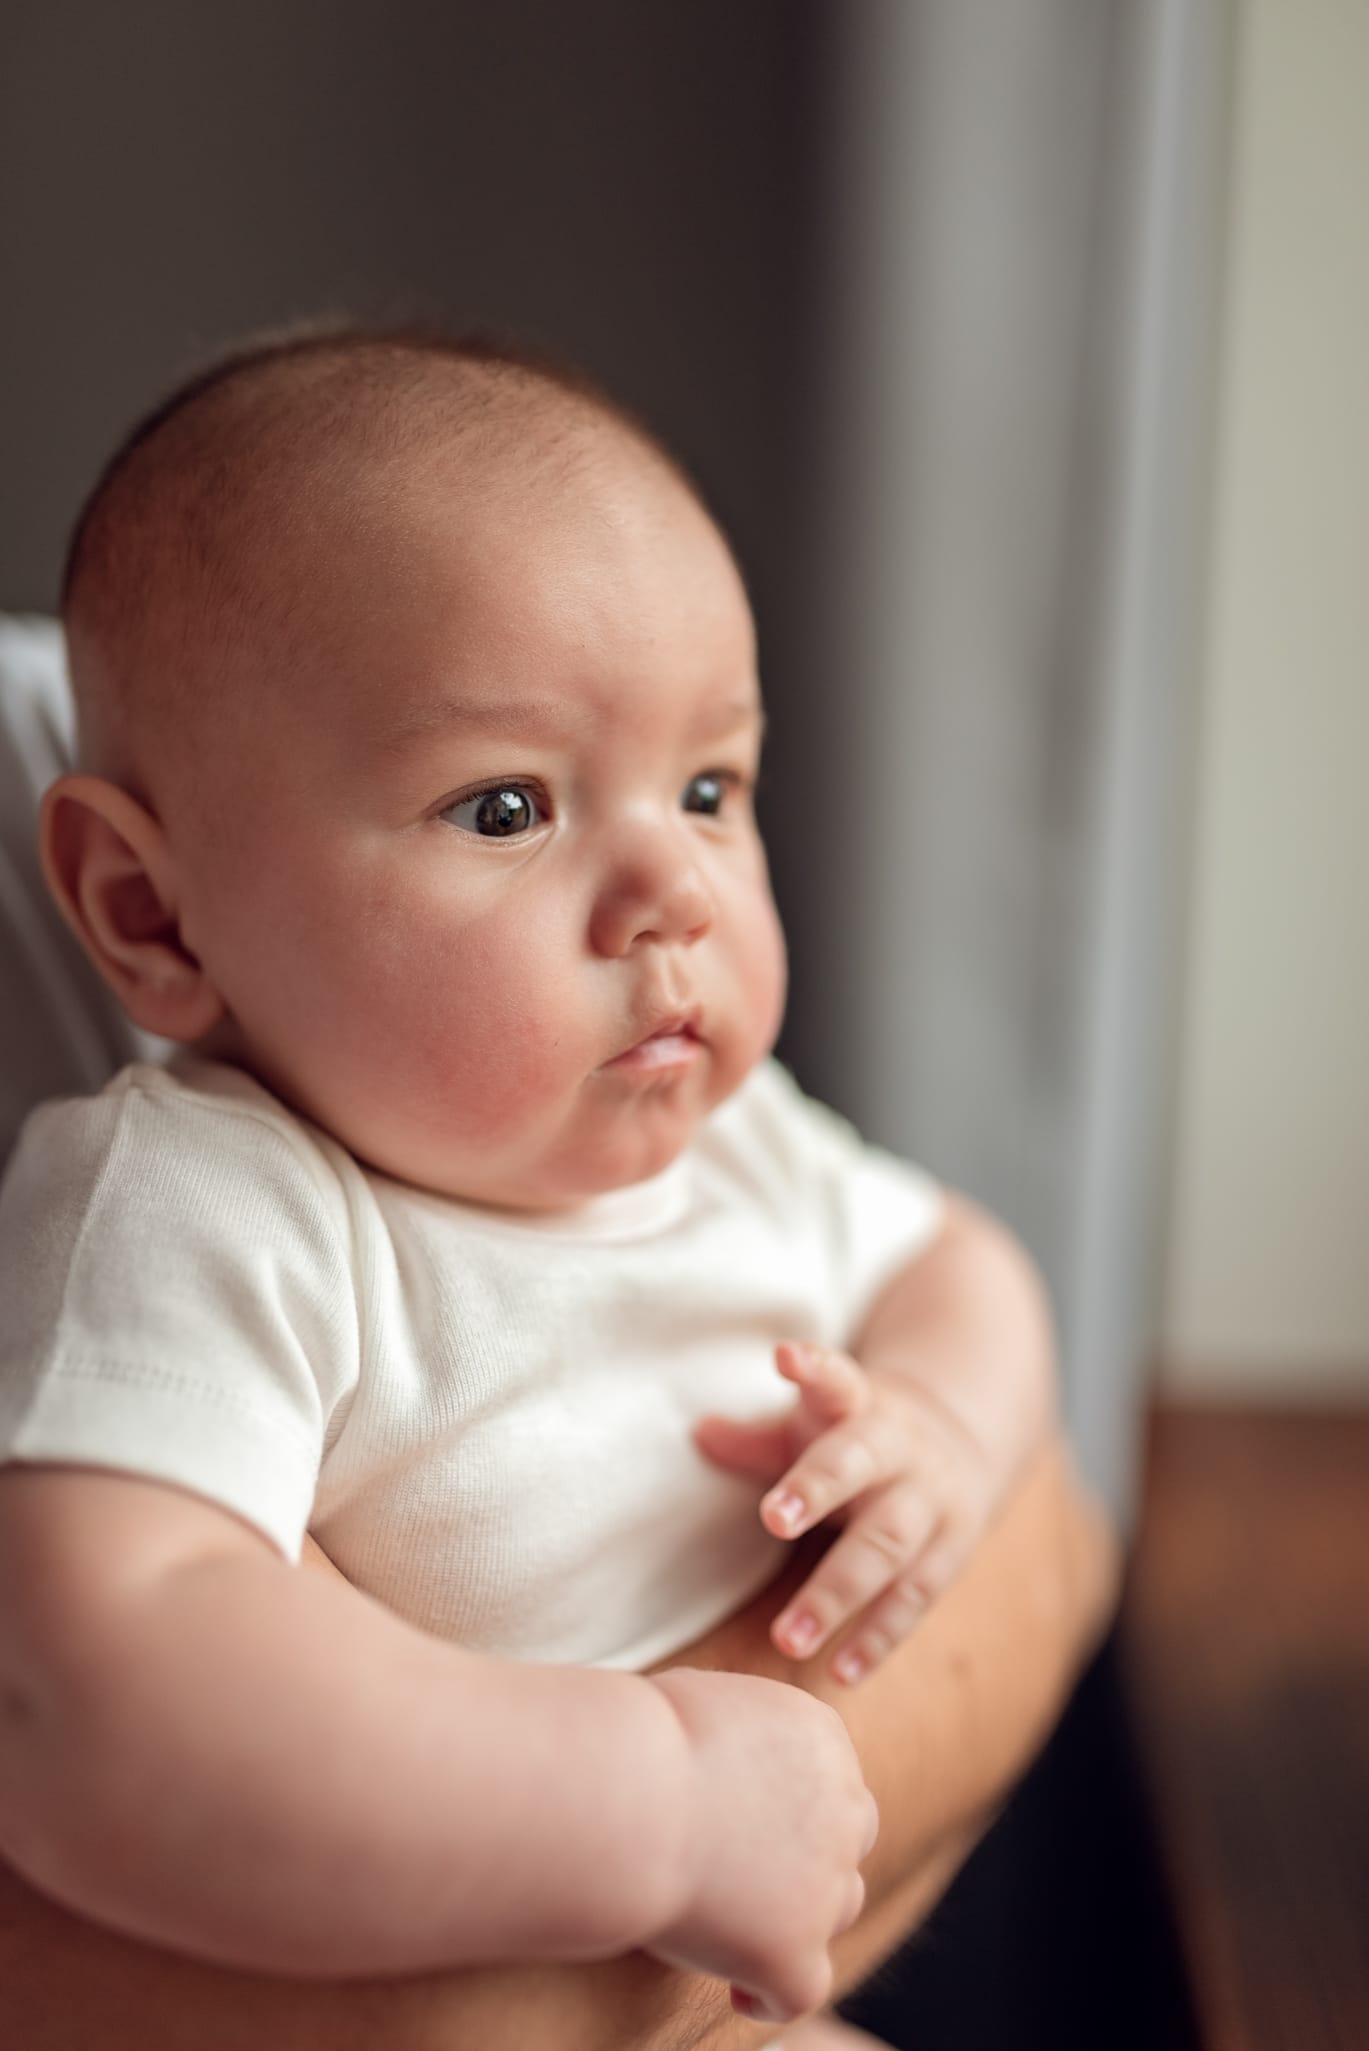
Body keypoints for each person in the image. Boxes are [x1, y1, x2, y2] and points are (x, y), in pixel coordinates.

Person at [0, 331, 1062, 2044]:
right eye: (506, 807)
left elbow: (965, 1261)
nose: (674, 891)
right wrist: (651, 1805)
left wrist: (937, 1418)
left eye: (711, 787)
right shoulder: (206, 1205)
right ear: (151, 916)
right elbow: (95, 1691)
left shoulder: (740, 1138)